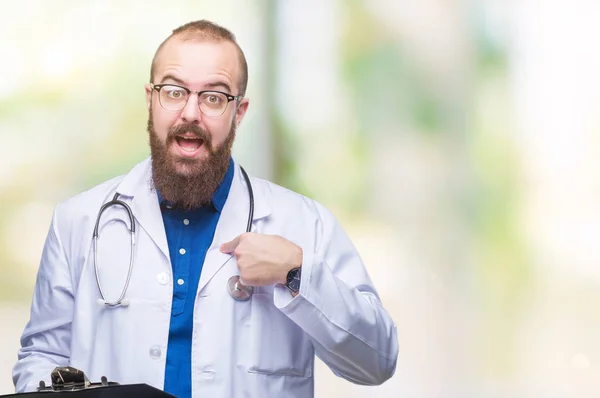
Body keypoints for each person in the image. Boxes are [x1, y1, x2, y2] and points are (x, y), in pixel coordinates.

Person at [12, 20, 398, 398]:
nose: (191, 113)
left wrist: (297, 273)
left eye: (213, 96)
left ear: (239, 111)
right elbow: (41, 358)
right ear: (151, 99)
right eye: (174, 91)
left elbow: (377, 361)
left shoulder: (303, 223)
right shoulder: (77, 222)